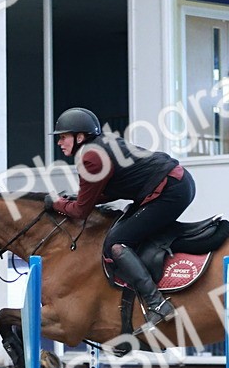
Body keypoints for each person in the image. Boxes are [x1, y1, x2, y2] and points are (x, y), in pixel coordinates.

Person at [44, 107, 196, 330]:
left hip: (170, 190)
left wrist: (56, 203)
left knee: (116, 243)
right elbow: (105, 194)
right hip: (175, 183)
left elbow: (80, 212)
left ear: (80, 137)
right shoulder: (98, 147)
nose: (59, 142)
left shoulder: (91, 158)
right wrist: (76, 199)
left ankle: (157, 304)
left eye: (63, 137)